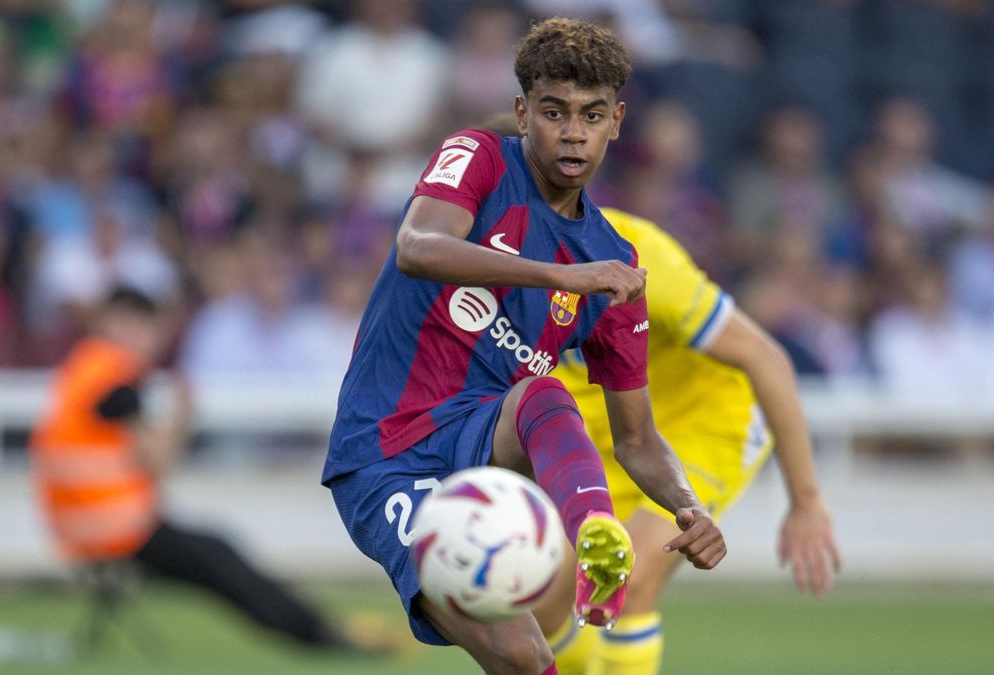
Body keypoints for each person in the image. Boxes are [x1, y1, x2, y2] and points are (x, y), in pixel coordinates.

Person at [323, 19, 725, 675]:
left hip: (487, 447)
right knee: (519, 653)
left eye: (592, 115)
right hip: (386, 451)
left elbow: (636, 439)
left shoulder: (611, 264)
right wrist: (558, 275)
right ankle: (587, 533)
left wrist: (687, 506)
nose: (573, 132)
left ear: (616, 122)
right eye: (554, 112)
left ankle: (599, 535)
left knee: (542, 392)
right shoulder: (479, 157)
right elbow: (417, 246)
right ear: (522, 112)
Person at [551, 208, 842, 674]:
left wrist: (805, 501)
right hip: (601, 423)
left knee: (632, 574)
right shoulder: (486, 263)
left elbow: (765, 358)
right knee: (549, 592)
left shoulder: (637, 257)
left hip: (704, 418)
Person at [30, 287, 386, 655]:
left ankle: (315, 628)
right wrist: (182, 413)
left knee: (217, 552)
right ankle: (315, 634)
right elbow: (156, 462)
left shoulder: (83, 367)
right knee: (220, 560)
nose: (144, 339)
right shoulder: (115, 378)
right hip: (114, 528)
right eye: (140, 326)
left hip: (78, 523)